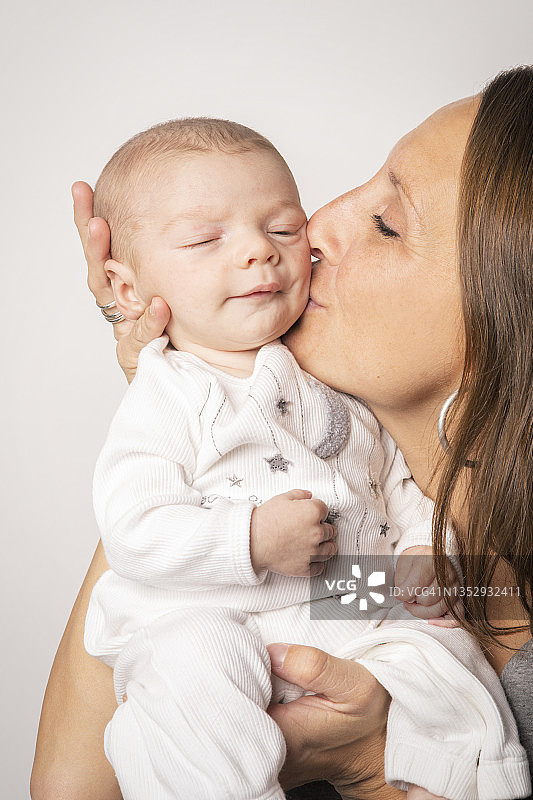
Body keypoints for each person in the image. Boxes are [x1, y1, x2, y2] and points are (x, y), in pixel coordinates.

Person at [31, 66, 533, 800]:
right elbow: (71, 787)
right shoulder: (364, 544)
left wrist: (369, 770)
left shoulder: (448, 593)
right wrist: (194, 403)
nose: (313, 228)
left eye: (388, 223)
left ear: (506, 327)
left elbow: (458, 600)